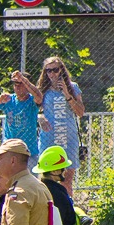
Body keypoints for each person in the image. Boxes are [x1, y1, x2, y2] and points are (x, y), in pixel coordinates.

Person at [36, 56, 86, 193]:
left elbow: (80, 112)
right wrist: (40, 118)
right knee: (46, 180)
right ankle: (48, 205)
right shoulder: (42, 89)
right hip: (49, 139)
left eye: (55, 70)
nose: (52, 74)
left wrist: (67, 94)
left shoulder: (73, 87)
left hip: (68, 139)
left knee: (66, 181)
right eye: (48, 71)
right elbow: (34, 110)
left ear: (61, 70)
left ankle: (66, 205)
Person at [0, 70, 47, 158]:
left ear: (27, 86)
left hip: (29, 150)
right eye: (15, 84)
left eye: (20, 84)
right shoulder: (9, 99)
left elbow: (39, 97)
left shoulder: (32, 101)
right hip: (10, 148)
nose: (17, 87)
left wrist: (23, 79)